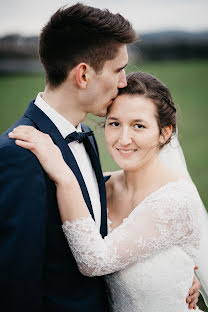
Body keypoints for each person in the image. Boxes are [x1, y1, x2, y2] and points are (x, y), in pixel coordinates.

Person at [8, 72, 206, 311]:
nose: (123, 139)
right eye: (115, 123)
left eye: (139, 126)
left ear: (164, 133)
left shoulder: (177, 200)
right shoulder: (98, 186)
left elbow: (94, 261)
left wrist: (63, 173)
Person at [0, 3, 136, 311]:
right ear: (84, 74)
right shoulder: (17, 155)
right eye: (118, 69)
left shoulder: (85, 135)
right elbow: (17, 285)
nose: (124, 81)